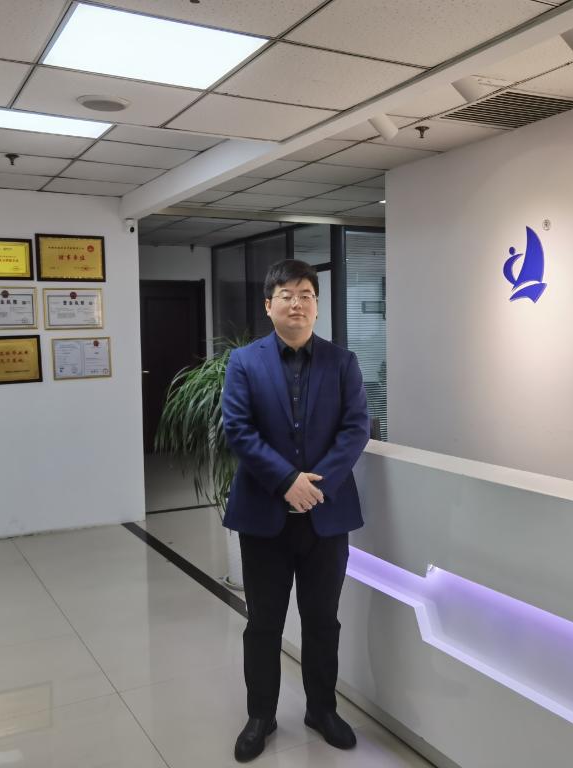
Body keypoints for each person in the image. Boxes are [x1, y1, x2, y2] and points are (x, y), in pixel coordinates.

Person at [222, 259, 370, 763]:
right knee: (264, 622)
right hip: (263, 518)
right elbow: (239, 429)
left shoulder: (342, 362)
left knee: (323, 620)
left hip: (325, 519)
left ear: (316, 306)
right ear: (269, 306)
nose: (297, 303)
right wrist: (287, 482)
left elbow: (356, 428)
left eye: (306, 294)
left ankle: (321, 710)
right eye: (286, 295)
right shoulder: (244, 362)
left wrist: (314, 486)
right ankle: (260, 716)